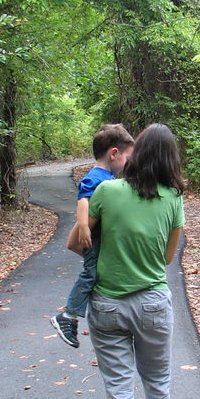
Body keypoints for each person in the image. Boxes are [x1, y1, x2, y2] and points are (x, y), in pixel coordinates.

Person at [84, 123, 185, 399]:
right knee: (157, 378)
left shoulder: (106, 191)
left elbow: (81, 244)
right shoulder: (173, 198)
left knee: (119, 389)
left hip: (108, 305)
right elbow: (168, 258)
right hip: (154, 303)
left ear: (136, 152)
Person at [50, 123, 134, 348]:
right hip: (93, 238)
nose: (127, 164)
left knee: (96, 273)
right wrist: (84, 226)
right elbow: (83, 198)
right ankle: (68, 316)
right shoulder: (97, 176)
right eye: (126, 157)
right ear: (114, 153)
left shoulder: (107, 177)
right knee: (90, 273)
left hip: (100, 238)